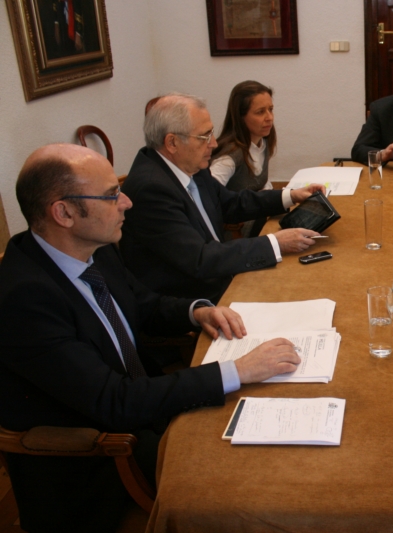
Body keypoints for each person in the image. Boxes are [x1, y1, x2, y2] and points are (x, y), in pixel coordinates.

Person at [0, 144, 303, 532]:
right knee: (262, 491)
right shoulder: (25, 301)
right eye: (111, 195)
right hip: (102, 463)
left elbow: (142, 304)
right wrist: (237, 370)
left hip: (145, 406)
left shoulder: (93, 248)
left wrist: (196, 310)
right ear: (64, 213)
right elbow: (114, 401)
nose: (127, 202)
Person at [120, 93, 325, 303]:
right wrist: (275, 243)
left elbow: (231, 203)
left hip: (220, 272)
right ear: (172, 142)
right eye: (204, 136)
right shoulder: (151, 189)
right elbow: (200, 259)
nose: (214, 144)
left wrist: (290, 195)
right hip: (193, 299)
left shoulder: (191, 165)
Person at [210, 81, 277, 239]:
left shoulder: (263, 141)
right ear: (241, 117)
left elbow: (261, 181)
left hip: (257, 222)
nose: (269, 118)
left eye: (271, 109)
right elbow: (209, 195)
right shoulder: (229, 156)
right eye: (260, 112)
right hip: (235, 236)